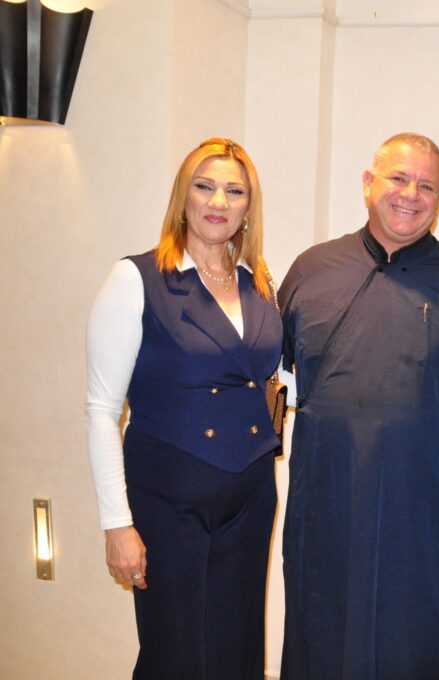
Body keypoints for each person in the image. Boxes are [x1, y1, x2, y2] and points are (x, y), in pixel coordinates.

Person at [278, 132, 439, 679]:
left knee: (417, 644)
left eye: (427, 186)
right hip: (327, 504)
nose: (411, 194)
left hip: (426, 514)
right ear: (368, 183)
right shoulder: (311, 271)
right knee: (324, 639)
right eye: (398, 178)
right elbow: (268, 376)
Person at [85, 138, 282, 679]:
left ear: (248, 207)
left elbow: (269, 378)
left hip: (251, 496)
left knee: (238, 652)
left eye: (234, 191)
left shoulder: (259, 284)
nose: (218, 201)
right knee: (175, 656)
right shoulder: (136, 279)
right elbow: (102, 410)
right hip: (168, 498)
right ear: (182, 198)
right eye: (204, 186)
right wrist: (117, 524)